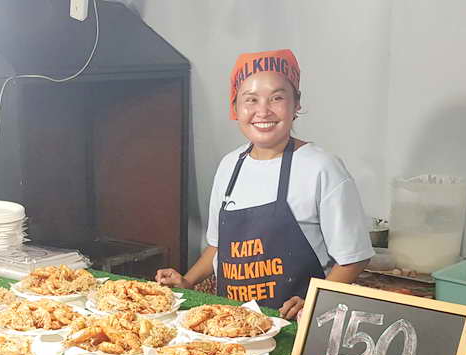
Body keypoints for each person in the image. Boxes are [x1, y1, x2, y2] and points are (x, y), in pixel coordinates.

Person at [156, 49, 373, 320]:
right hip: (230, 322)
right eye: (251, 99)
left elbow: (354, 258)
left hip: (293, 324)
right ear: (236, 108)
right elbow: (218, 246)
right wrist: (188, 281)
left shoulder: (321, 167)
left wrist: (313, 302)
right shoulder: (230, 165)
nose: (263, 111)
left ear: (296, 104)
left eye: (277, 98)